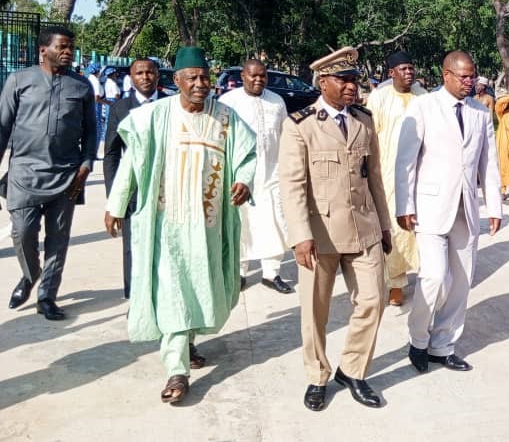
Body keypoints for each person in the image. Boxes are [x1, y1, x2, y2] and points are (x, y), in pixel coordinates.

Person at [105, 47, 256, 404]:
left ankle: (188, 343)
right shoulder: (156, 116)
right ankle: (176, 368)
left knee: (200, 286)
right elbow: (130, 162)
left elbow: (248, 155)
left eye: (205, 77)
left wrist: (245, 180)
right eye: (193, 78)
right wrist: (115, 204)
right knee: (172, 290)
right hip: (168, 225)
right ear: (177, 81)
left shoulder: (226, 118)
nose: (201, 84)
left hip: (209, 226)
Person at [278, 47, 392, 412]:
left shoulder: (364, 120)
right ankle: (317, 375)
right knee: (316, 312)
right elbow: (292, 185)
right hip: (320, 233)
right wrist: (299, 236)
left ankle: (353, 369)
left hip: (364, 227)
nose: (351, 87)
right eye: (343, 80)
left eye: (354, 79)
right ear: (322, 82)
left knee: (374, 299)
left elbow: (374, 178)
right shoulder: (301, 124)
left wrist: (385, 225)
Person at [395, 50, 502, 374]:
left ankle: (443, 345)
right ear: (446, 75)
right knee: (434, 276)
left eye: (473, 76)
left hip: (466, 208)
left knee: (461, 281)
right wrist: (405, 205)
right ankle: (418, 340)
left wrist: (494, 206)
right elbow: (405, 162)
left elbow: (489, 163)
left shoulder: (480, 113)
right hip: (430, 206)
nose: (470, 82)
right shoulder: (424, 106)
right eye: (464, 76)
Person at [2, 26, 96, 320]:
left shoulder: (81, 87)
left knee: (58, 238)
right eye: (63, 47)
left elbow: (91, 132)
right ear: (44, 50)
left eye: (71, 47)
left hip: (66, 176)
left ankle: (47, 297)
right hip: (24, 174)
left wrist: (85, 166)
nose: (68, 52)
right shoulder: (19, 81)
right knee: (23, 233)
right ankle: (31, 275)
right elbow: (2, 128)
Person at [218, 59, 294, 295]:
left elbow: (285, 135)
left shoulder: (276, 101)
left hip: (272, 173)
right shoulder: (228, 102)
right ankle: (239, 273)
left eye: (263, 76)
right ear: (243, 76)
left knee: (274, 223)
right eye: (253, 75)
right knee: (242, 224)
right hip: (240, 176)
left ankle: (271, 274)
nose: (258, 79)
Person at [366, 49, 426, 307]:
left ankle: (426, 274)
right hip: (389, 172)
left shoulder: (424, 96)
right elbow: (369, 136)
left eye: (411, 67)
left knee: (421, 226)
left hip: (421, 171)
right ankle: (396, 283)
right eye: (403, 69)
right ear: (391, 73)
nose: (409, 72)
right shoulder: (379, 97)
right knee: (395, 226)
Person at [103, 57, 162, 298]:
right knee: (132, 247)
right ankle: (135, 298)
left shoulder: (170, 104)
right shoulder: (120, 108)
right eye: (140, 73)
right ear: (131, 76)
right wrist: (113, 200)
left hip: (165, 190)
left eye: (150, 72)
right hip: (134, 191)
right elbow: (111, 154)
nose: (145, 77)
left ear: (157, 75)